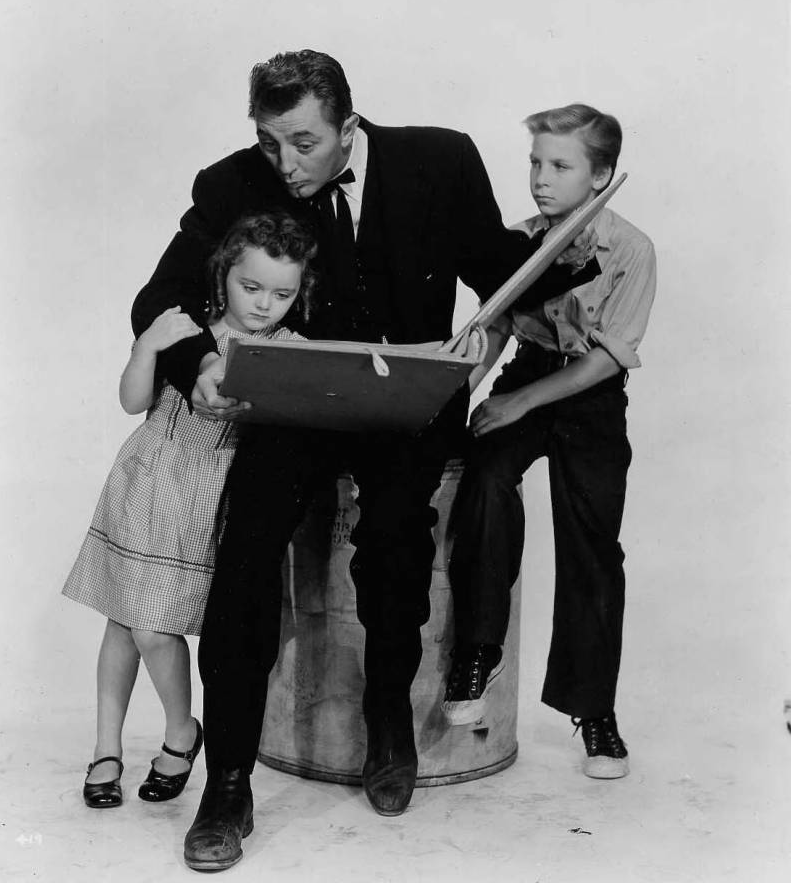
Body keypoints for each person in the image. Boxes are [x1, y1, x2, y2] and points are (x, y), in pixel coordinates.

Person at [130, 50, 602, 873]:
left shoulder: (439, 159)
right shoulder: (233, 181)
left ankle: (390, 723)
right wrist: (198, 365)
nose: (286, 164)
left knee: (396, 538)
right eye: (271, 142)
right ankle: (228, 783)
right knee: (245, 558)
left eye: (305, 143)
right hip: (293, 410)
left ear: (349, 126)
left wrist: (540, 279)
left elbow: (499, 271)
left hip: (407, 411)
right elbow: (159, 300)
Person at [63, 212, 315, 809]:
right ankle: (107, 748)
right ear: (224, 274)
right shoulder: (188, 329)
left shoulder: (290, 351)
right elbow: (132, 402)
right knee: (120, 622)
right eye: (250, 288)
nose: (263, 305)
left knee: (153, 626)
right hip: (141, 480)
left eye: (282, 294)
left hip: (200, 494)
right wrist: (148, 343)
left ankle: (181, 732)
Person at [442, 104, 656, 781]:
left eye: (559, 166)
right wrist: (457, 395)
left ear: (601, 177)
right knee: (484, 475)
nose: (540, 178)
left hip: (588, 396)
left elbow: (604, 360)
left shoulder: (631, 250)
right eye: (535, 162)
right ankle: (479, 651)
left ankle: (594, 712)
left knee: (592, 543)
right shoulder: (519, 239)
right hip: (529, 375)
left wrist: (517, 402)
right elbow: (497, 331)